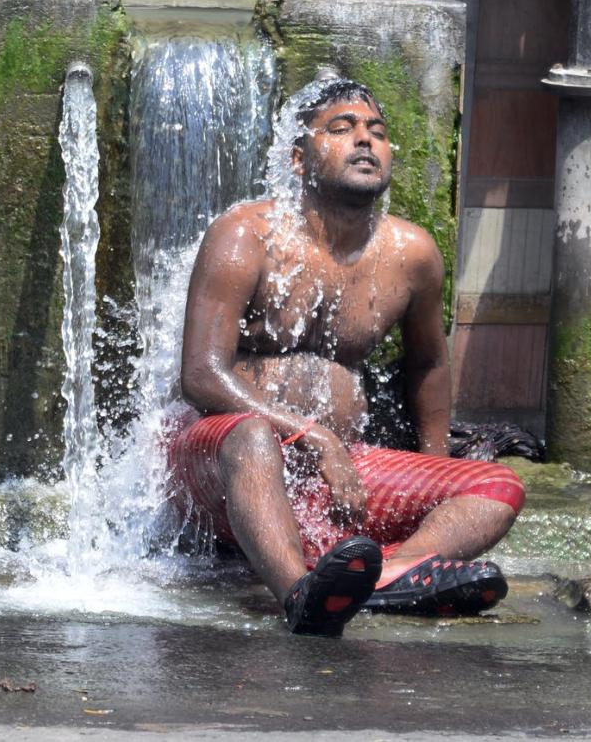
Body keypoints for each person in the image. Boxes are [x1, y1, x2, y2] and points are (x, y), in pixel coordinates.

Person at [170, 78, 524, 637]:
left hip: (336, 472)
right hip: (222, 463)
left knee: (495, 485)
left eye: (377, 132)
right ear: (297, 156)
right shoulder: (245, 235)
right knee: (253, 436)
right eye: (341, 129)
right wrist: (313, 434)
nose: (365, 140)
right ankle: (300, 596)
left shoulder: (413, 254)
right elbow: (200, 375)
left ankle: (393, 576)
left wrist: (438, 468)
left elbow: (428, 366)